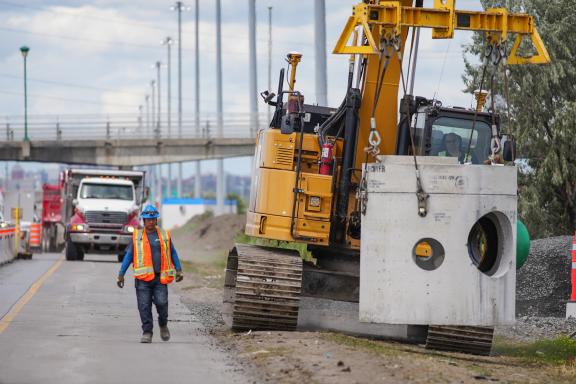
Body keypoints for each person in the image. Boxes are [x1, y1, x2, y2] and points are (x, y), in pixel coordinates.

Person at [116, 204, 184, 343]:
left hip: (160, 278)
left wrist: (179, 269)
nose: (151, 222)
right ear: (144, 220)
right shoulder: (137, 237)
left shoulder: (164, 235)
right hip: (142, 280)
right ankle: (147, 332)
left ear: (156, 220)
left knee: (162, 303)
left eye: (153, 219)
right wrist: (121, 274)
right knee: (144, 306)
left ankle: (163, 324)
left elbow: (172, 253)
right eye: (148, 219)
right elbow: (129, 256)